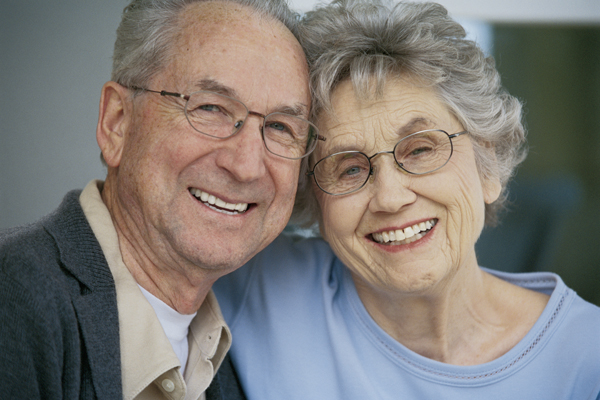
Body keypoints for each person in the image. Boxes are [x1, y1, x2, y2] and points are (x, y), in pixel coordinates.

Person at [213, 0, 600, 399]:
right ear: (316, 204)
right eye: (349, 168)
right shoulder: (255, 286)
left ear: (488, 166)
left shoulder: (587, 358)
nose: (391, 197)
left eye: (420, 150)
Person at [0, 0, 321, 398]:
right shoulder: (12, 301)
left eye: (280, 127)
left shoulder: (240, 361)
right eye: (211, 108)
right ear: (117, 122)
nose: (247, 166)